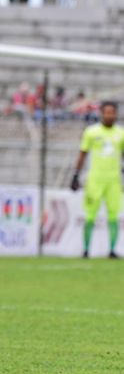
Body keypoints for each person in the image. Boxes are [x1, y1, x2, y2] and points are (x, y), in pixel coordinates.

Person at [70, 101, 124, 258]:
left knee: (114, 216)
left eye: (112, 112)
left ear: (116, 114)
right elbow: (83, 153)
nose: (109, 115)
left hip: (114, 180)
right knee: (90, 215)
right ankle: (86, 250)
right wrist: (75, 175)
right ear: (101, 113)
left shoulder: (121, 133)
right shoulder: (91, 132)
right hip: (95, 179)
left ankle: (112, 250)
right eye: (106, 112)